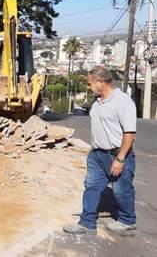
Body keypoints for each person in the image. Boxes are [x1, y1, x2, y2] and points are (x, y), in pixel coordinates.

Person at [64, 66, 137, 235]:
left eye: (90, 84)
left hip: (117, 154)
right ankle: (87, 222)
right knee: (91, 186)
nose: (88, 87)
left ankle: (127, 220)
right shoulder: (97, 102)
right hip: (97, 154)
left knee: (121, 189)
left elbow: (130, 133)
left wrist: (120, 159)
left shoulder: (122, 101)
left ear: (100, 82)